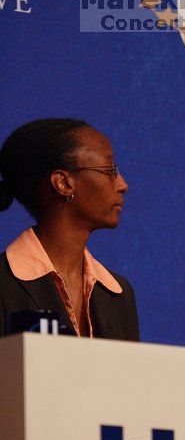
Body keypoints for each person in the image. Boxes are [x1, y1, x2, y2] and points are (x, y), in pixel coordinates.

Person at [0, 118, 139, 340]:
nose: (122, 184)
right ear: (64, 184)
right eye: (110, 170)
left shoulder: (118, 293)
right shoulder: (4, 283)